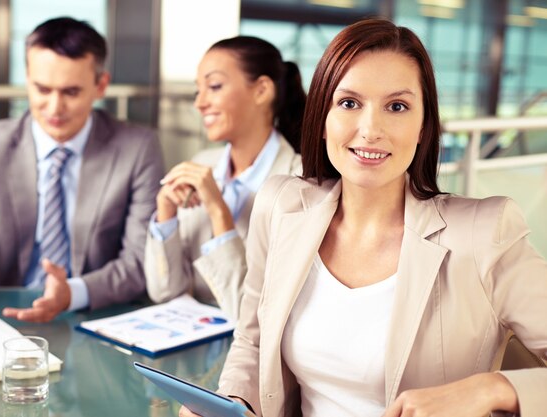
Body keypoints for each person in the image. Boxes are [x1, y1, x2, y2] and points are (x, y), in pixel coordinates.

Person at [181, 18, 547, 417]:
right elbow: (252, 341)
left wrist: (490, 389)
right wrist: (232, 403)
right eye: (349, 103)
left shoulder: (483, 234)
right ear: (322, 118)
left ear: (424, 126)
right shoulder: (282, 206)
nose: (370, 129)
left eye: (397, 106)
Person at [0, 17, 164, 322]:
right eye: (42, 89)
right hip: (4, 317)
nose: (54, 107)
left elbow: (138, 262)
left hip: (95, 315)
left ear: (101, 85)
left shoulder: (138, 148)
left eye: (71, 92)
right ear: (27, 78)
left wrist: (71, 293)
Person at [144, 36, 306, 320]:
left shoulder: (301, 184)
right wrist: (165, 213)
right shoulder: (201, 164)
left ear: (261, 91)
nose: (200, 103)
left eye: (215, 87)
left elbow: (253, 316)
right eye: (198, 90)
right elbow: (165, 293)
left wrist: (220, 213)